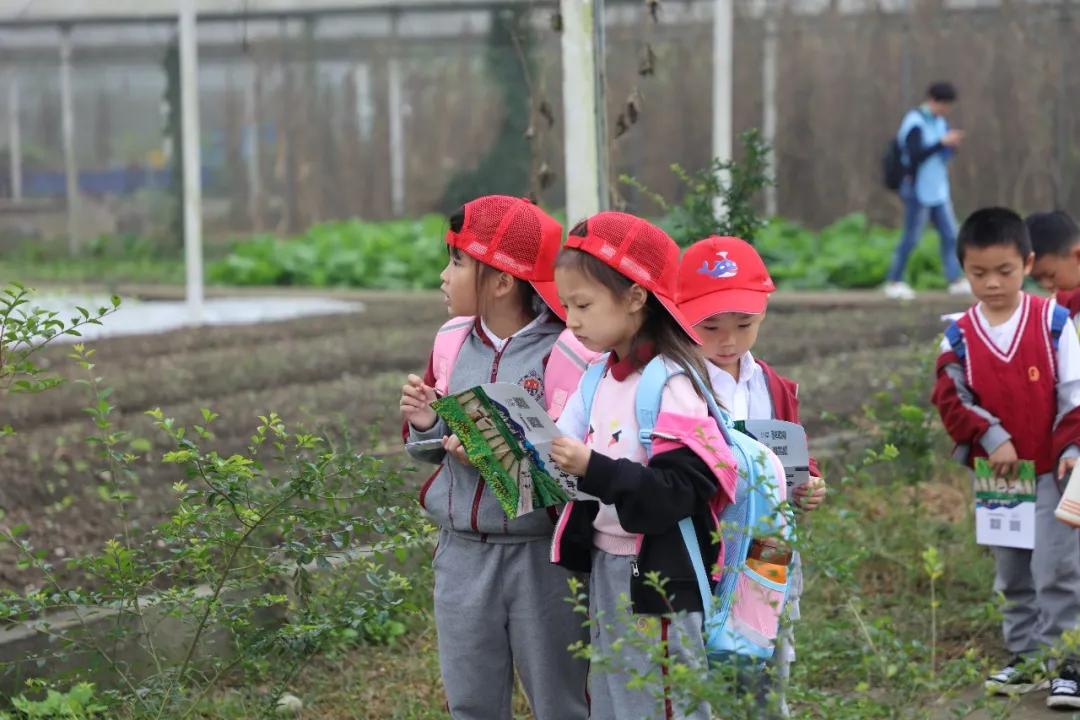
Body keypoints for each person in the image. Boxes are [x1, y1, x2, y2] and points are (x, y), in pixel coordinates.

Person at [548, 212, 752, 719]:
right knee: (615, 693)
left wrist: (594, 468)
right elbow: (557, 445)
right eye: (567, 305)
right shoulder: (597, 377)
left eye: (583, 304)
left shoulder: (672, 384)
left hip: (659, 580)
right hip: (606, 564)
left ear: (637, 297)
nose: (571, 320)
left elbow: (681, 488)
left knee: (663, 698)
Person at [400, 195, 589, 720]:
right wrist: (425, 423)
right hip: (462, 552)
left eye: (457, 261)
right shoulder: (451, 342)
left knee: (562, 701)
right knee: (471, 702)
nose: (443, 275)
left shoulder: (567, 353)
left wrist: (493, 451)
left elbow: (574, 462)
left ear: (503, 281)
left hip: (542, 557)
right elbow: (434, 443)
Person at [931, 207, 1080, 709]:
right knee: (1013, 570)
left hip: (1057, 469)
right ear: (963, 268)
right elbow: (951, 399)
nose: (992, 284)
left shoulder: (1054, 322)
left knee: (1059, 567)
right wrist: (991, 437)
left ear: (1028, 263)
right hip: (1002, 477)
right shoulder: (958, 334)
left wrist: (1073, 447)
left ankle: (1069, 660)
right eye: (978, 274)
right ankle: (1027, 654)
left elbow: (1075, 394)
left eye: (1005, 272)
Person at [675, 235, 827, 716]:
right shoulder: (679, 384)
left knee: (765, 653)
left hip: (769, 545)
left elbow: (792, 449)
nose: (728, 340)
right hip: (707, 544)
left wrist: (809, 484)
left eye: (743, 324)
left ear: (763, 313)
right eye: (711, 326)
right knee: (701, 658)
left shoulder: (774, 386)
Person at [884, 81, 969, 300]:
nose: (945, 110)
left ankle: (955, 279)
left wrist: (950, 146)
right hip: (917, 189)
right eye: (943, 104)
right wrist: (941, 142)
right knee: (911, 237)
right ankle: (894, 281)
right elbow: (915, 154)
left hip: (938, 189)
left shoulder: (940, 122)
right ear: (932, 100)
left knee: (951, 234)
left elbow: (939, 152)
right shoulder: (915, 122)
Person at [1027, 210, 1080, 318]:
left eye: (1051, 275)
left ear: (1078, 256)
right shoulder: (1062, 304)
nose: (1045, 285)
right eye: (1037, 279)